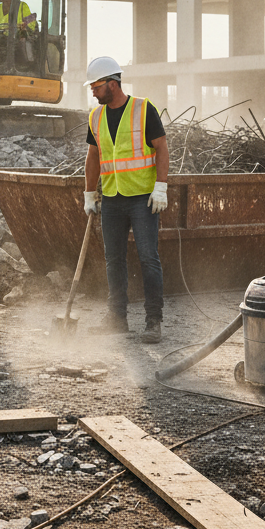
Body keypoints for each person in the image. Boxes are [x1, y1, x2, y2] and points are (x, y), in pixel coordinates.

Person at [82, 56, 169, 343]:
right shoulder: (96, 116)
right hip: (113, 198)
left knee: (148, 258)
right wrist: (89, 192)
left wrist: (161, 187)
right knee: (113, 260)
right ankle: (117, 319)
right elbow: (93, 156)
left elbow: (162, 148)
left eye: (96, 86)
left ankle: (153, 321)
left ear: (112, 84)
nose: (92, 92)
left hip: (142, 198)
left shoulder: (144, 109)